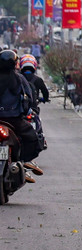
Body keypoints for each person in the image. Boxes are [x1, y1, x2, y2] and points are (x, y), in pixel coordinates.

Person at [0, 49, 44, 183]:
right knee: (32, 138)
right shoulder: (19, 79)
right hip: (14, 120)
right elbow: (29, 99)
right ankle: (25, 161)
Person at [18, 54, 48, 150]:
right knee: (38, 121)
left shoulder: (18, 78)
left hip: (20, 108)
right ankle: (42, 140)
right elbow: (45, 92)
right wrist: (45, 99)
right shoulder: (38, 80)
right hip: (33, 108)